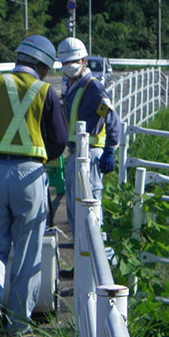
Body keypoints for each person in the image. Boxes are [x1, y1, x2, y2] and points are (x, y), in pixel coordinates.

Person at [0, 35, 68, 335]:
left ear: (19, 57)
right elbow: (59, 141)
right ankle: (19, 324)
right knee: (28, 251)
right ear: (43, 66)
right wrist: (42, 158)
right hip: (30, 177)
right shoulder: (47, 93)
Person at [57, 37, 121, 236]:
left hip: (90, 155)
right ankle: (80, 265)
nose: (68, 67)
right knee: (75, 211)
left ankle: (95, 262)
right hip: (74, 154)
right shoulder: (72, 87)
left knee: (90, 210)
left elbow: (111, 118)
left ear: (84, 61)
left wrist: (110, 149)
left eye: (73, 62)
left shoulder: (93, 87)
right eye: (65, 63)